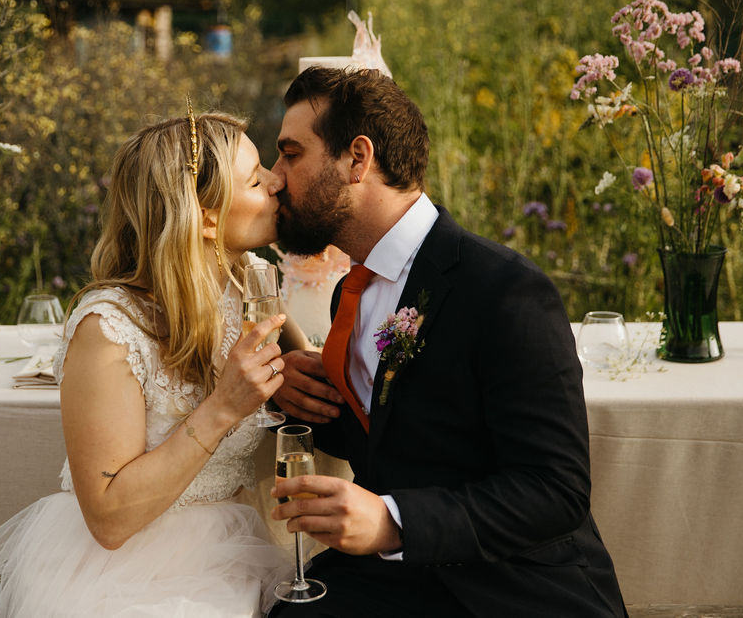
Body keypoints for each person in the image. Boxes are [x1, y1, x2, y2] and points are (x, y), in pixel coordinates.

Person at [267, 67, 627, 617]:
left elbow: (556, 491)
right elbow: (390, 436)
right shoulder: (350, 291)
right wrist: (292, 393)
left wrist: (391, 523)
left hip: (512, 586)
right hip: (391, 582)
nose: (274, 178)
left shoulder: (505, 290)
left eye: (290, 154)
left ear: (357, 159)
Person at [0, 108, 303, 617]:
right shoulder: (108, 328)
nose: (278, 182)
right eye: (257, 179)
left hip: (236, 547)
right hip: (133, 568)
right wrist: (223, 408)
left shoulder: (251, 279)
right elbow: (107, 519)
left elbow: (304, 372)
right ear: (207, 216)